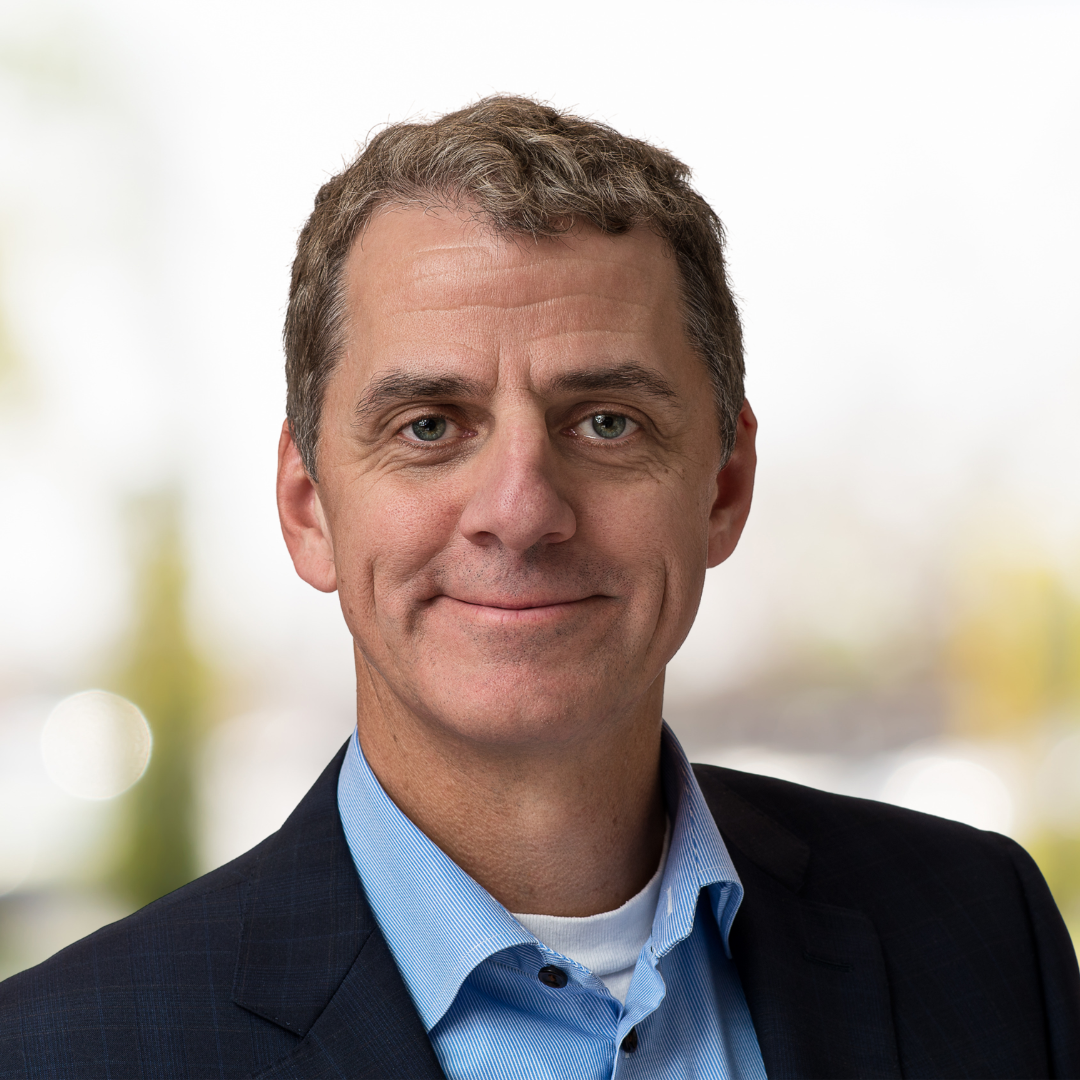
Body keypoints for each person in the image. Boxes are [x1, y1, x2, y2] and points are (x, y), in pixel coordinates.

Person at [1, 96, 1077, 1080]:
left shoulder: (980, 929)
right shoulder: (59, 1053)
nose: (519, 510)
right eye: (430, 427)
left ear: (724, 487)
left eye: (606, 422)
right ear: (308, 507)